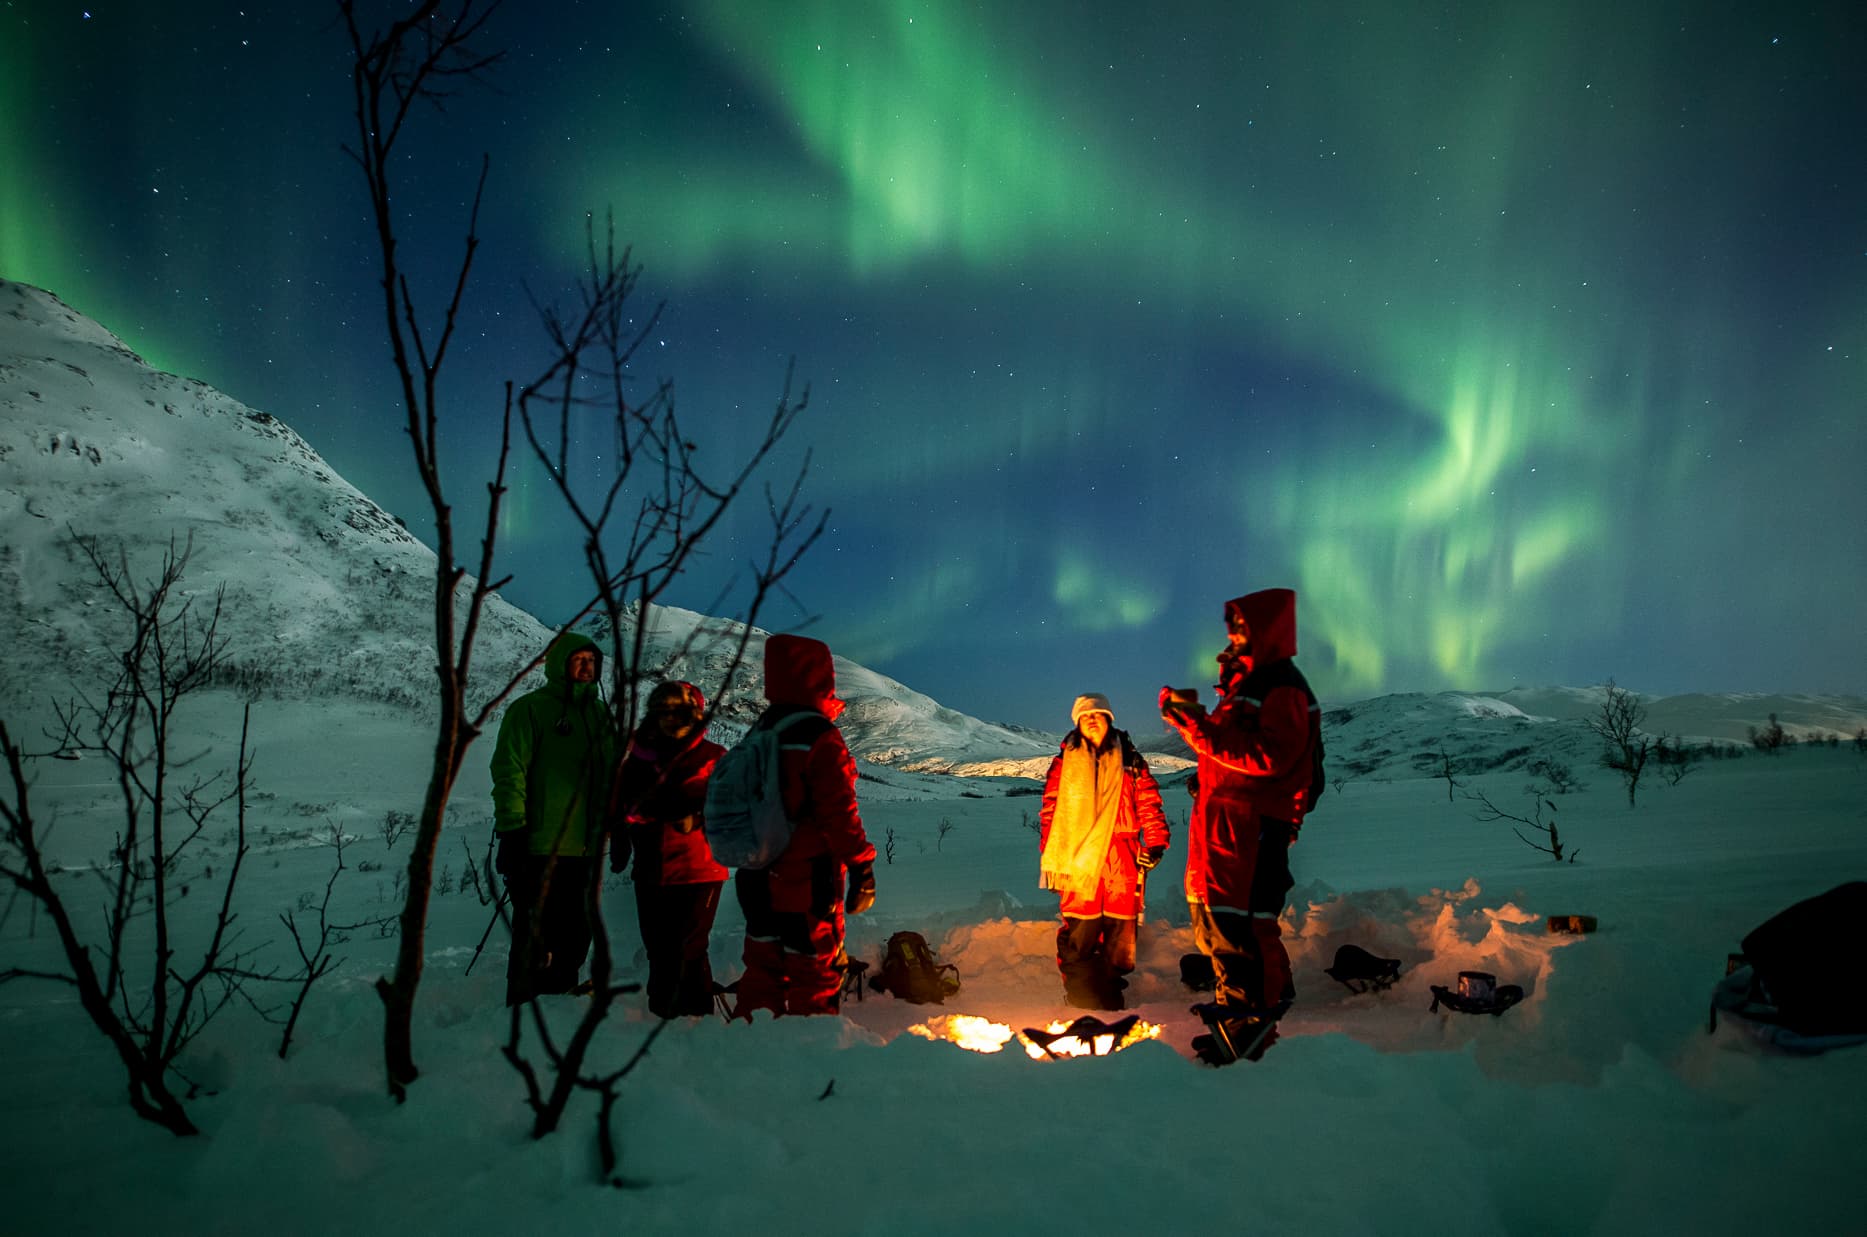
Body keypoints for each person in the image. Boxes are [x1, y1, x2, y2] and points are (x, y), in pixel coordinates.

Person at [1160, 588, 1321, 1064]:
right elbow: (1239, 754)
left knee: (1241, 928)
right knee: (1220, 925)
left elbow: (1270, 757)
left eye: (1242, 627)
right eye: (1231, 627)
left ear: (1266, 630)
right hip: (1227, 822)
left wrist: (1196, 728)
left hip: (1251, 828)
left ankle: (1250, 1038)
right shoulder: (1250, 684)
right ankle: (1236, 1023)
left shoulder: (1280, 686)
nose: (1232, 636)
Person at [732, 634, 877, 1017]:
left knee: (762, 967)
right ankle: (813, 1047)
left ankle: (752, 1040)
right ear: (821, 676)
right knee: (814, 970)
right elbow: (838, 812)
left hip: (754, 876)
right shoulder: (818, 736)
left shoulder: (760, 731)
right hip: (804, 880)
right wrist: (862, 866)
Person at [490, 631, 617, 1005]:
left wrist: (618, 824)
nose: (586, 667)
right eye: (578, 660)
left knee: (577, 935)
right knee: (536, 935)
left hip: (587, 847)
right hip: (539, 845)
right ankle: (525, 1007)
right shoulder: (530, 710)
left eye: (592, 661)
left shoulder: (601, 715)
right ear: (560, 664)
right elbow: (509, 770)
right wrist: (512, 829)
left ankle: (559, 1003)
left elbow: (612, 777)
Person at [1038, 693, 1170, 1011]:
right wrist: (1052, 859)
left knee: (1119, 933)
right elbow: (1051, 812)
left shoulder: (1130, 760)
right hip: (1078, 855)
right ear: (1077, 723)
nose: (1092, 720)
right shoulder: (1064, 762)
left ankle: (1110, 996)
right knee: (1080, 931)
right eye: (1085, 716)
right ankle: (1082, 996)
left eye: (1098, 714)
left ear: (1109, 719)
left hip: (1122, 854)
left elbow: (1148, 801)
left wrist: (1155, 843)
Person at [611, 680, 729, 1018]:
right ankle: (663, 1015)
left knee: (689, 948)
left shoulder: (713, 757)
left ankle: (695, 1018)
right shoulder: (638, 759)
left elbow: (733, 808)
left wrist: (697, 816)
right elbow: (621, 803)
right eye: (665, 709)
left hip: (699, 869)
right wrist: (620, 832)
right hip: (652, 867)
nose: (672, 716)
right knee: (659, 949)